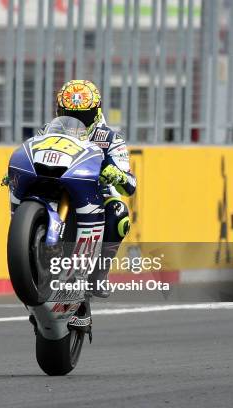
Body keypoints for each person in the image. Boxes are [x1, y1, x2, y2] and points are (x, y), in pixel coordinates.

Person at [48, 80, 137, 297]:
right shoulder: (48, 133)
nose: (76, 121)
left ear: (96, 112)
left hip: (93, 196)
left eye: (83, 116)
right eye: (69, 113)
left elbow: (130, 185)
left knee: (119, 212)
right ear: (60, 111)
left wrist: (115, 174)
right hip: (56, 190)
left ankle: (98, 275)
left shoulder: (110, 139)